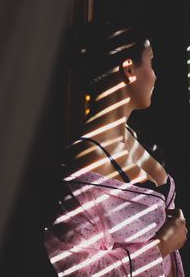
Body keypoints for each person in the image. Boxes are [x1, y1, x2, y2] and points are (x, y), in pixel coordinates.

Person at [44, 20, 187, 276]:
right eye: (151, 62)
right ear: (129, 69)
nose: (155, 76)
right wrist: (161, 245)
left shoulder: (131, 136)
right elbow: (78, 270)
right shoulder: (85, 163)